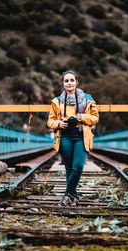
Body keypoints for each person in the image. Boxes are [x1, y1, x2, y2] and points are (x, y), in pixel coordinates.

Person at [47, 70, 99, 206]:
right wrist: (59, 123)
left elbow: (95, 118)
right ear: (63, 84)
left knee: (78, 166)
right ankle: (74, 197)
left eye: (72, 80)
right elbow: (50, 121)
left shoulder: (87, 99)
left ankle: (67, 195)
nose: (69, 83)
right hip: (65, 136)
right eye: (66, 81)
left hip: (81, 135)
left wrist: (83, 117)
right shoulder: (57, 102)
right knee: (69, 168)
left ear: (76, 82)